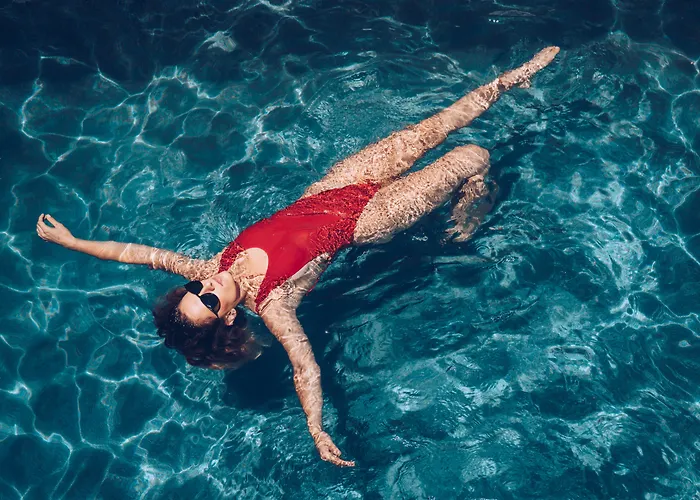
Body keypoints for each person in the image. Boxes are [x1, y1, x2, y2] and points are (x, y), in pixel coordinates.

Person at [36, 46, 560, 467]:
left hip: (332, 188)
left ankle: (510, 81)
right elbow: (305, 368)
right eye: (209, 301)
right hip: (368, 218)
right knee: (473, 157)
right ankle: (471, 211)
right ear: (228, 316)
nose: (206, 287)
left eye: (195, 291)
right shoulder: (274, 305)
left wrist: (75, 243)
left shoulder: (210, 268)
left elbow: (138, 253)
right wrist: (316, 428)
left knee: (433, 128)